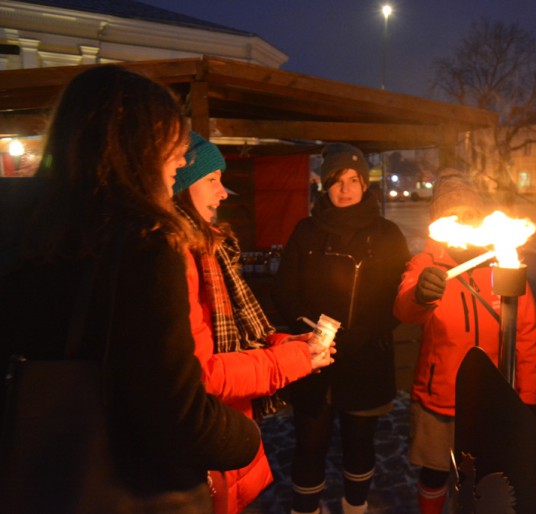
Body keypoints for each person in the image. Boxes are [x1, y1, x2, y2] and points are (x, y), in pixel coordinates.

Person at [0, 65, 260, 511]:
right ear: (139, 149)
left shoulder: (20, 226)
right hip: (119, 488)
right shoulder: (141, 246)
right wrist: (243, 436)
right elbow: (176, 417)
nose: (180, 163)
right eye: (175, 152)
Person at [172, 132, 334, 514]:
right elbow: (203, 374)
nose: (223, 192)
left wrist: (286, 343)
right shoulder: (180, 257)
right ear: (179, 184)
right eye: (211, 179)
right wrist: (295, 361)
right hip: (206, 433)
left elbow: (234, 338)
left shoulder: (210, 248)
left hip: (226, 425)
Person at [393, 169, 536, 514]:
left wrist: (528, 397)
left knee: (485, 476)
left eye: (471, 213)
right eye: (454, 213)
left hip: (492, 398)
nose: (464, 219)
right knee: (434, 473)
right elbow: (404, 308)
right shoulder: (427, 264)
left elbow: (527, 333)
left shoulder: (503, 262)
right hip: (440, 396)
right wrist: (421, 294)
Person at [272, 143, 410, 514]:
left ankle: (356, 507)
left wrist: (364, 332)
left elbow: (400, 299)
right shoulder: (306, 231)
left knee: (360, 442)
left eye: (353, 180)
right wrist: (315, 333)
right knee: (309, 444)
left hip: (366, 358)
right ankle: (306, 509)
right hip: (312, 358)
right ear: (324, 184)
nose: (345, 189)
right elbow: (285, 290)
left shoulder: (388, 234)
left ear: (365, 185)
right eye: (337, 181)